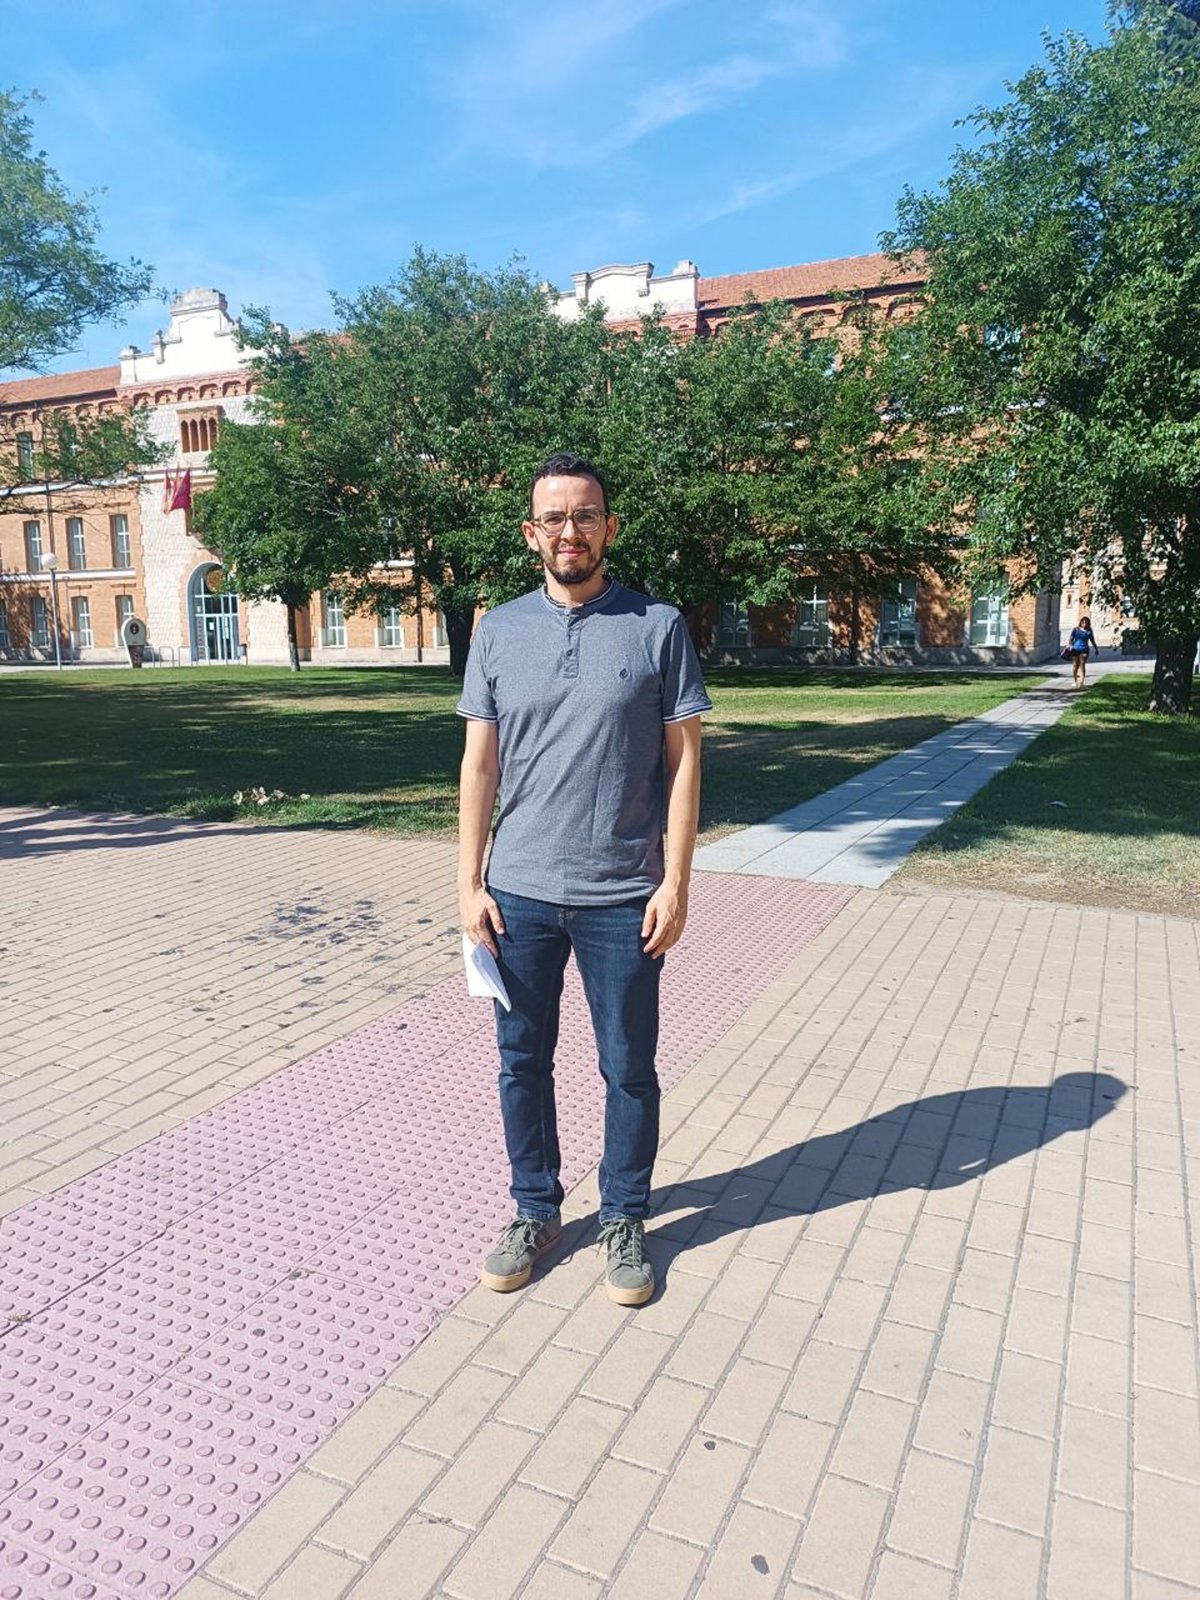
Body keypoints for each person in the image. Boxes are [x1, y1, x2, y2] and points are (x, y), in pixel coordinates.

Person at [456, 451, 711, 1307]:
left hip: (623, 894)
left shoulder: (656, 626)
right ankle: (536, 1209)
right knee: (521, 1061)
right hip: (518, 893)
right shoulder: (498, 631)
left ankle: (625, 1216)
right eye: (555, 517)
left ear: (610, 526)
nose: (572, 530)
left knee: (628, 1066)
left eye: (586, 515)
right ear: (532, 533)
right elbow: (480, 765)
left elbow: (684, 763)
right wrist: (468, 882)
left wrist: (676, 883)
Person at [1067, 615, 1098, 688]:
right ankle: (1075, 680)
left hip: (1084, 649)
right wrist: (1070, 645)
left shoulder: (1089, 631)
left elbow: (1092, 640)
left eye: (1086, 623)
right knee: (1075, 665)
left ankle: (1082, 683)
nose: (1084, 624)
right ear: (1080, 622)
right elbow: (1071, 638)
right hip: (1075, 649)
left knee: (1082, 665)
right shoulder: (1076, 630)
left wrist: (1096, 649)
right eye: (1083, 622)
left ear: (1088, 624)